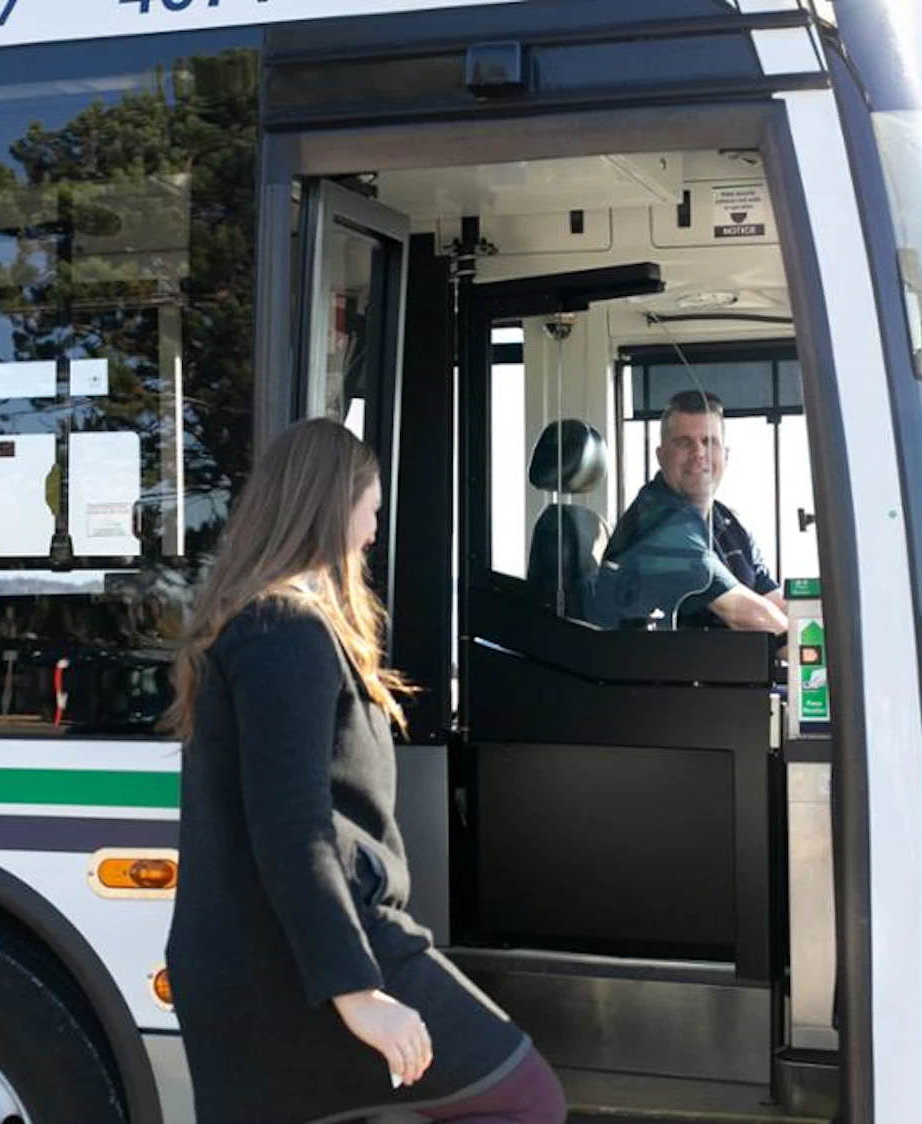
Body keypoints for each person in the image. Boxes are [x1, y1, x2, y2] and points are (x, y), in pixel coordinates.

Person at [163, 418, 566, 1124]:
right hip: (299, 970)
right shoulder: (283, 630)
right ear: (330, 505)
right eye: (371, 510)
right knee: (524, 1099)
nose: (374, 532)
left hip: (272, 964)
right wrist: (357, 993)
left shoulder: (265, 624)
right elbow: (293, 829)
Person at [595, 390, 787, 633]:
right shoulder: (658, 522)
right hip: (655, 667)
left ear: (726, 456)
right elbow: (743, 614)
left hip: (715, 666)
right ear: (661, 456)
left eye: (709, 441)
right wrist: (818, 651)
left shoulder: (728, 523)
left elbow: (773, 604)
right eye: (684, 442)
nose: (698, 453)